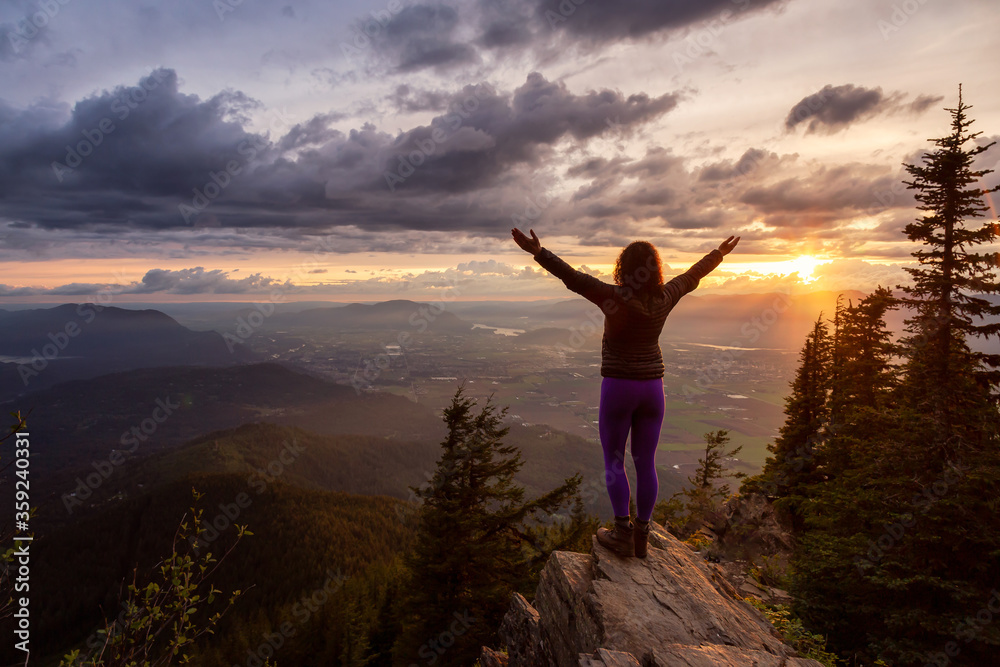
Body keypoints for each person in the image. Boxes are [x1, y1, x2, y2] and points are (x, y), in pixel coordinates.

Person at [511, 227, 740, 558]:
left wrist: (538, 251)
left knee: (614, 461)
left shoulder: (614, 297)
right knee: (646, 462)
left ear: (623, 268)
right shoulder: (666, 296)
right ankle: (642, 536)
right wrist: (719, 253)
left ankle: (621, 533)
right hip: (653, 390)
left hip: (619, 387)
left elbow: (573, 278)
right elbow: (692, 276)